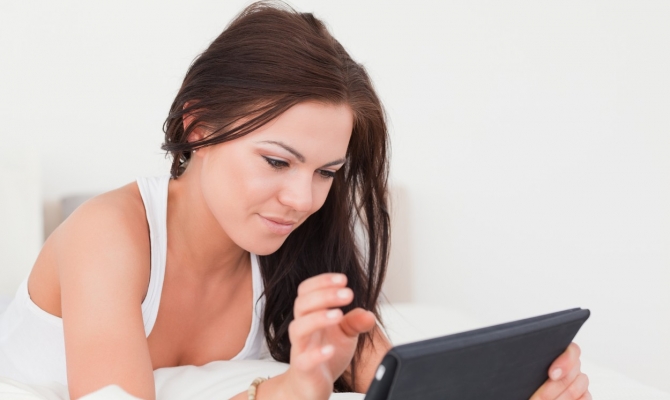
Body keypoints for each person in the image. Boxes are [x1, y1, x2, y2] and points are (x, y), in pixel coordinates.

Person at [0, 2, 590, 399]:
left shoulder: (298, 247)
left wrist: (520, 386)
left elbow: (390, 378)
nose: (302, 199)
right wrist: (292, 388)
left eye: (327, 172)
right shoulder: (108, 234)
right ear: (198, 127)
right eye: (277, 162)